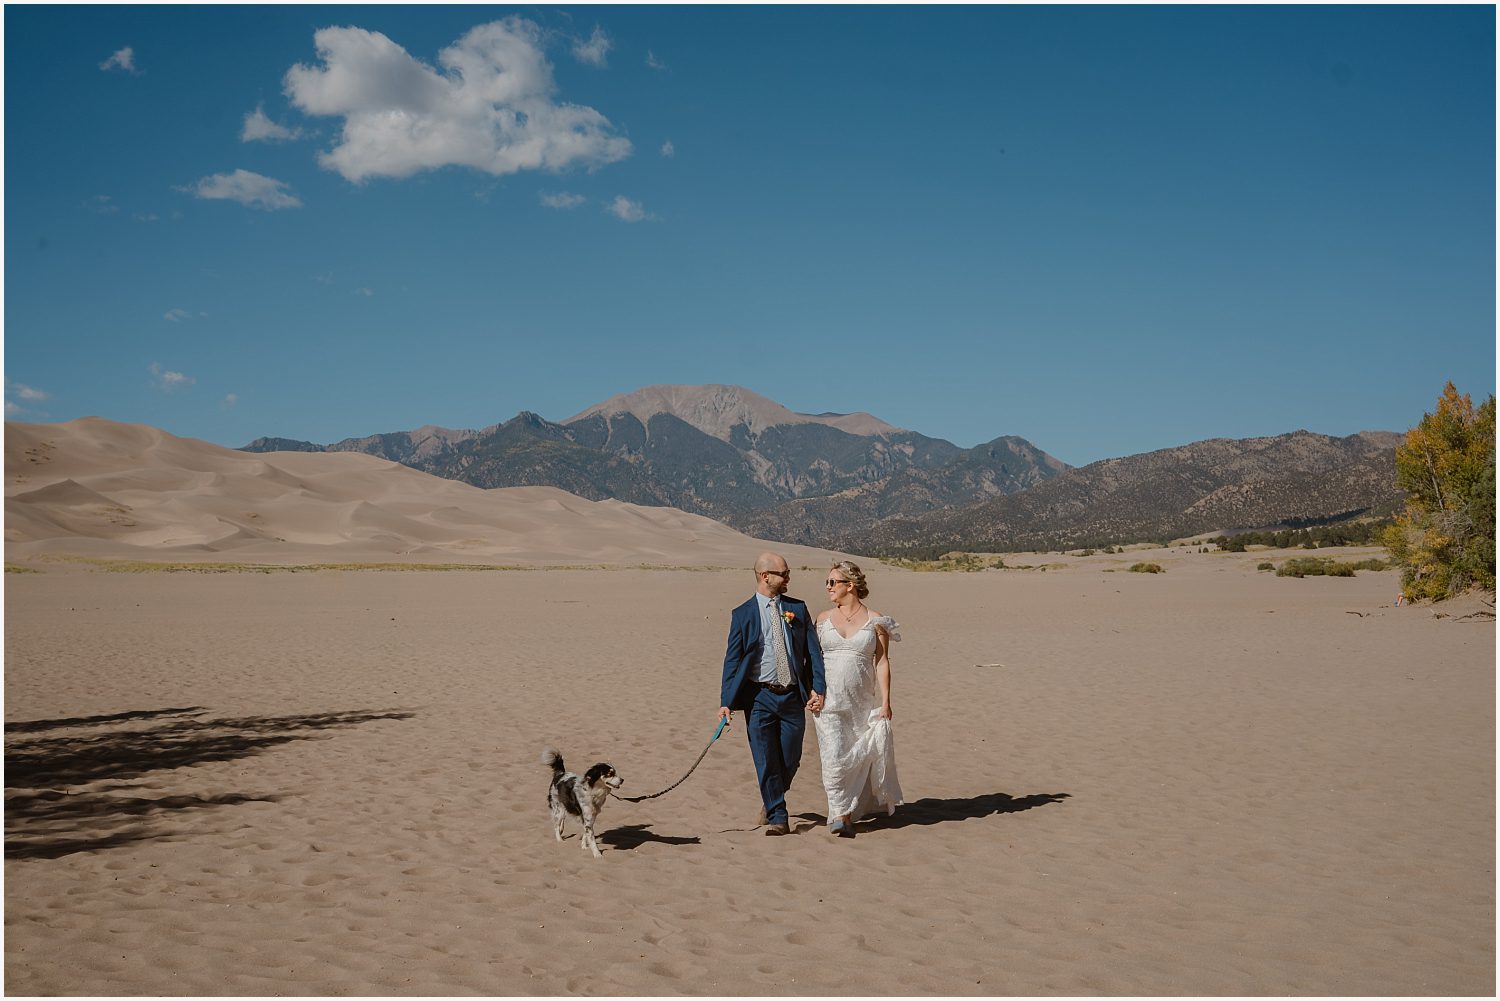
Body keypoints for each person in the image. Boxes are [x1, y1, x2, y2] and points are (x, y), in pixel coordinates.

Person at [719, 552, 826, 836]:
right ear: (766, 577)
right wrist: (726, 702)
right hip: (759, 697)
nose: (789, 578)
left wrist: (819, 688)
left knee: (791, 758)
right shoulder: (742, 614)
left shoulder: (798, 609)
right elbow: (732, 659)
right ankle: (778, 815)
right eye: (784, 573)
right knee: (765, 758)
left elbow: (813, 654)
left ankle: (771, 798)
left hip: (793, 695)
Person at [812, 560, 903, 837]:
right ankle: (839, 813)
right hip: (827, 703)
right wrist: (813, 691)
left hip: (861, 702)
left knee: (856, 756)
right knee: (834, 757)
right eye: (827, 582)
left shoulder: (877, 621)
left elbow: (882, 662)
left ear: (849, 586)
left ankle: (848, 812)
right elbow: (812, 661)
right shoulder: (822, 619)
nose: (827, 587)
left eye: (832, 582)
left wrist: (886, 702)